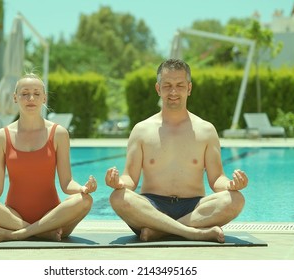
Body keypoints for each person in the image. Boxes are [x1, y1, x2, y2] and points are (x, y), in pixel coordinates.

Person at [105, 59, 248, 243]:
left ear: (189, 88)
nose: (173, 92)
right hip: (152, 206)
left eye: (180, 85)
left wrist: (230, 185)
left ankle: (161, 231)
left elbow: (216, 178)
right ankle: (192, 232)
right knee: (117, 197)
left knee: (236, 200)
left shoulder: (206, 130)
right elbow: (130, 179)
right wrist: (118, 182)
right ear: (158, 89)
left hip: (194, 207)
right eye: (167, 85)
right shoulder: (141, 130)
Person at [0, 73, 97, 242]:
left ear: (44, 98)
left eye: (37, 94)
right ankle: (40, 232)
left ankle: (19, 234)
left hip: (52, 216)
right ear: (15, 98)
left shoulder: (59, 133)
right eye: (24, 93)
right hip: (13, 217)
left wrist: (83, 189)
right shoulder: (0, 137)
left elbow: (67, 183)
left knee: (85, 200)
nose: (30, 98)